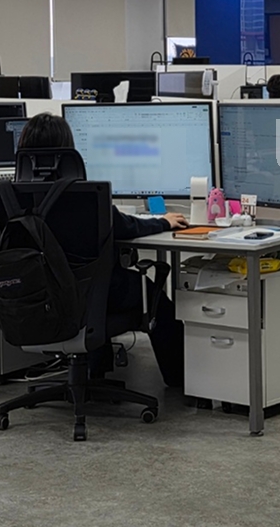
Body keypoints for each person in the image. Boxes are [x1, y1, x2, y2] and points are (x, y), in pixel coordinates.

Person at [17, 113, 185, 387]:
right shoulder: (84, 195)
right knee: (157, 301)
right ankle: (179, 381)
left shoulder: (10, 196)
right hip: (87, 294)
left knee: (95, 282)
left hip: (39, 295)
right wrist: (163, 222)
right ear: (68, 151)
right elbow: (126, 227)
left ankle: (95, 372)